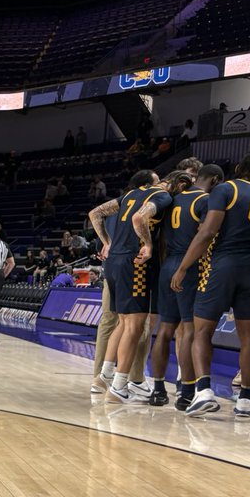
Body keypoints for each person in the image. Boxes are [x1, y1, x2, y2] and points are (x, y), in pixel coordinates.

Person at [171, 140, 250, 417]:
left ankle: (203, 391)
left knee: (201, 332)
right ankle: (246, 399)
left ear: (240, 167)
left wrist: (183, 267)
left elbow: (207, 233)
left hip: (221, 267)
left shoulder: (226, 188)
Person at [87, 171, 173, 401]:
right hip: (134, 263)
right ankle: (120, 386)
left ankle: (104, 377)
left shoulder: (129, 195)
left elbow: (95, 214)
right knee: (135, 324)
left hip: (113, 261)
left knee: (122, 322)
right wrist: (147, 244)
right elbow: (139, 218)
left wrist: (107, 242)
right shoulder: (161, 196)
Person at [148, 166, 221, 409]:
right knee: (190, 330)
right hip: (189, 266)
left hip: (167, 263)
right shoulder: (206, 200)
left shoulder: (173, 199)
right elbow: (206, 235)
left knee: (165, 330)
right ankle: (187, 392)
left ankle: (158, 390)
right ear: (215, 180)